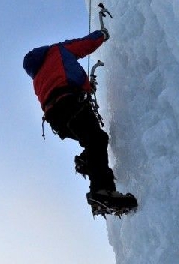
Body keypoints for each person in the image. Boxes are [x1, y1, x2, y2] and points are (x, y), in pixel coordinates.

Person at [23, 29, 137, 216]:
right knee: (96, 140)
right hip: (71, 105)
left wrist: (84, 87)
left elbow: (60, 81)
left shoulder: (38, 78)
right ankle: (101, 191)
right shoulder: (56, 51)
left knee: (92, 140)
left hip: (56, 120)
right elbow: (83, 45)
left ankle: (86, 161)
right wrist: (102, 35)